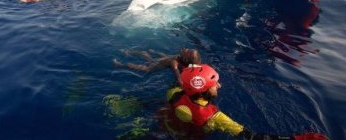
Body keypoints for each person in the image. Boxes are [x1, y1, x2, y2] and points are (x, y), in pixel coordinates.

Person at [166, 64, 328, 139]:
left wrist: (176, 68)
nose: (219, 85)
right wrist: (297, 139)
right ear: (203, 90)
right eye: (214, 84)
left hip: (165, 126)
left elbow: (183, 84)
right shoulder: (215, 117)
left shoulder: (174, 94)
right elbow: (251, 137)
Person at [113, 48, 201, 87]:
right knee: (144, 53)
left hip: (152, 67)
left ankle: (120, 65)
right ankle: (127, 52)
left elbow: (176, 72)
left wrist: (180, 82)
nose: (186, 49)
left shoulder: (175, 63)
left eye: (187, 51)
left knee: (135, 66)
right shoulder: (178, 57)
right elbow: (167, 56)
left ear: (185, 59)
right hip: (157, 60)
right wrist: (156, 53)